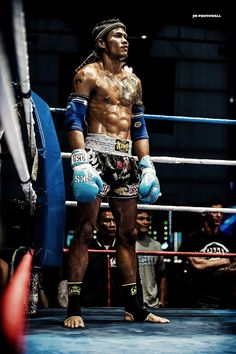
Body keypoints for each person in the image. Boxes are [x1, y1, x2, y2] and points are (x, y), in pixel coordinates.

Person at [64, 18, 169, 328]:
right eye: (118, 36)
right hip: (95, 153)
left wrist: (147, 163)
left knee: (128, 234)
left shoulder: (134, 82)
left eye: (126, 36)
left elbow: (140, 126)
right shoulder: (87, 75)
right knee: (84, 230)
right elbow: (73, 119)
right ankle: (73, 307)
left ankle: (134, 306)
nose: (125, 40)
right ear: (102, 43)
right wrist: (80, 160)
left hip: (125, 161)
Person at [58, 209, 123, 308]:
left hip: (119, 309)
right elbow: (68, 278)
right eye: (107, 220)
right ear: (96, 225)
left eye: (114, 221)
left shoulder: (123, 250)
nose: (112, 224)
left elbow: (135, 281)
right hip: (89, 309)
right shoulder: (85, 250)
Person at [181, 199, 236, 308]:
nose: (218, 215)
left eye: (221, 212)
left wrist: (207, 265)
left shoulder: (230, 240)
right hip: (199, 299)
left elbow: (235, 266)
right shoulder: (192, 240)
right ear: (204, 213)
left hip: (225, 299)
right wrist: (225, 261)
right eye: (214, 212)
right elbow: (197, 265)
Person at [136, 211, 168, 308]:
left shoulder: (156, 245)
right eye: (141, 219)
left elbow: (163, 275)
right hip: (133, 303)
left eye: (148, 219)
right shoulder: (125, 245)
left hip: (153, 304)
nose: (146, 222)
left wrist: (162, 301)